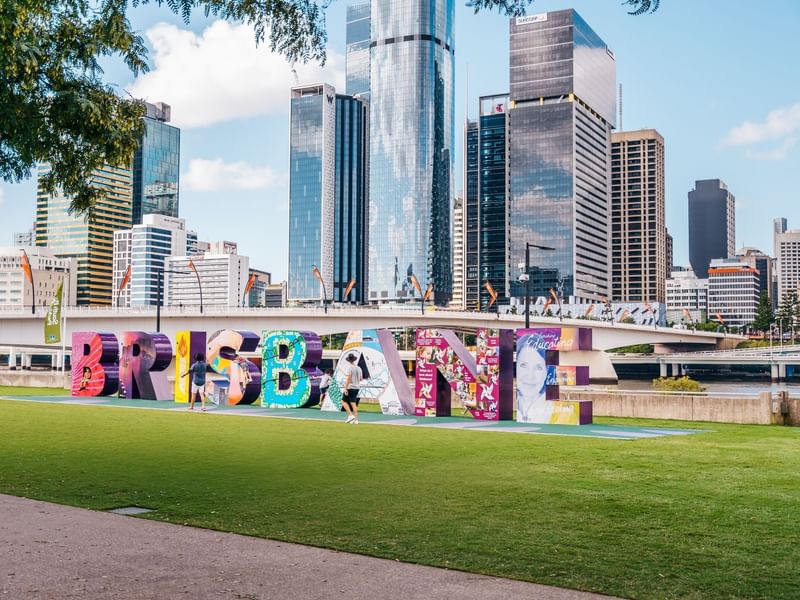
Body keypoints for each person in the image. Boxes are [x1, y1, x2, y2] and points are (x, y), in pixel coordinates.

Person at [515, 334, 552, 423]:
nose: (530, 376)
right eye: (524, 365)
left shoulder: (560, 415)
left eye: (538, 367)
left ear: (546, 372)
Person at [341, 354, 363, 424]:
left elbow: (349, 378)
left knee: (343, 402)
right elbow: (361, 378)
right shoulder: (359, 368)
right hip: (357, 387)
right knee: (353, 403)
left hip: (350, 387)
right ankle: (356, 420)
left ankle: (350, 415)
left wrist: (345, 388)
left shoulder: (350, 368)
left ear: (348, 360)